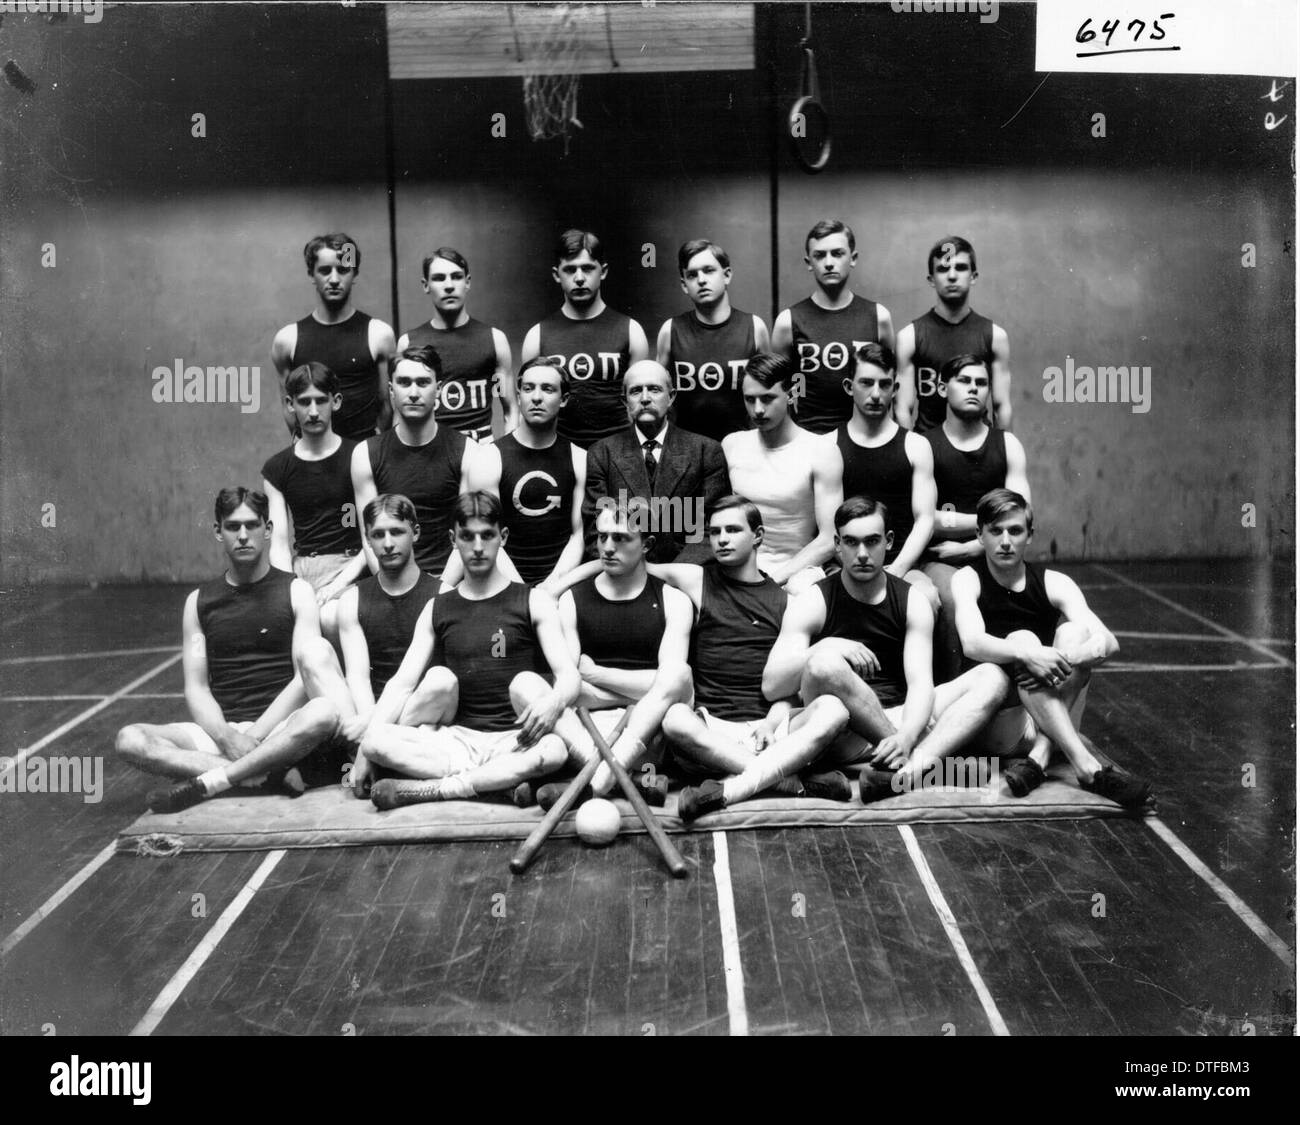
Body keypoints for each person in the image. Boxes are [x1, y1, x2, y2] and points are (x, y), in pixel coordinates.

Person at [115, 487, 356, 812]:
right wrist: (226, 736)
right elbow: (197, 688)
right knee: (131, 740)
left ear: (267, 529)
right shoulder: (198, 603)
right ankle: (262, 776)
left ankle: (225, 777)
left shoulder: (297, 592)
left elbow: (303, 680)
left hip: (280, 731)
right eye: (232, 527)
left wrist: (256, 735)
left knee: (324, 713)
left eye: (252, 525)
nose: (243, 535)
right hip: (223, 734)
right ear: (218, 532)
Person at [762, 497, 1013, 805]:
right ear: (837, 545)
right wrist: (826, 646)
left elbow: (921, 683)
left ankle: (910, 770)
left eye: (872, 541)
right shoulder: (815, 600)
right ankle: (932, 766)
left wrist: (907, 734)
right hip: (841, 729)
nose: (863, 554)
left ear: (889, 542)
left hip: (900, 721)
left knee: (992, 676)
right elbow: (772, 684)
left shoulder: (912, 600)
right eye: (852, 543)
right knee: (823, 665)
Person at [358, 492, 578, 807]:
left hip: (516, 740)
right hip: (457, 741)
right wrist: (365, 751)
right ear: (453, 539)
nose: (477, 547)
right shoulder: (437, 607)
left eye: (487, 536)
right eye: (467, 537)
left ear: (502, 537)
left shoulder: (533, 600)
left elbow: (569, 676)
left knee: (553, 751)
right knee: (376, 741)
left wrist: (553, 703)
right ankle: (495, 783)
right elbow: (401, 683)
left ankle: (443, 789)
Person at [648, 496, 852, 820]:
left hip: (772, 729)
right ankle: (788, 781)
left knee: (835, 710)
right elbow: (636, 566)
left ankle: (735, 783)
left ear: (757, 535)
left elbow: (788, 686)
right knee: (673, 718)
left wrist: (772, 723)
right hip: (713, 729)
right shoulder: (698, 580)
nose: (722, 539)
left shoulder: (785, 601)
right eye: (714, 532)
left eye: (732, 530)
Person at [951, 489, 1153, 806]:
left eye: (1015, 531)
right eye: (995, 531)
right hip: (1002, 725)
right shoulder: (967, 578)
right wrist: (1030, 653)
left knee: (1074, 632)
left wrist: (1064, 658)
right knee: (1024, 640)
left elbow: (1108, 642)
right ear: (980, 535)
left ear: (1029, 536)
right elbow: (972, 643)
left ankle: (1040, 759)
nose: (1005, 541)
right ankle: (1088, 768)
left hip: (1048, 718)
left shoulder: (1054, 582)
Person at [548, 501, 695, 804]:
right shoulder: (571, 600)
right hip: (587, 729)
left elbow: (674, 682)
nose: (608, 547)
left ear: (647, 545)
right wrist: (644, 690)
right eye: (602, 537)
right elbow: (571, 686)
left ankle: (596, 781)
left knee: (679, 676)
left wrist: (598, 675)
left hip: (646, 733)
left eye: (621, 538)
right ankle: (624, 779)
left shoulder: (674, 600)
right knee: (537, 690)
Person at [351, 343, 504, 581]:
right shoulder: (365, 454)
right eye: (404, 383)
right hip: (391, 581)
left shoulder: (469, 452)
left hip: (451, 584)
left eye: (422, 382)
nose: (413, 392)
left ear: (439, 389)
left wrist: (438, 593)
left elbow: (467, 533)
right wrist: (397, 588)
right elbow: (369, 537)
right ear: (391, 390)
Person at [922, 353, 1031, 680]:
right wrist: (988, 528)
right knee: (956, 595)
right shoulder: (923, 445)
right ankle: (958, 694)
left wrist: (975, 545)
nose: (974, 389)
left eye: (981, 383)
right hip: (940, 561)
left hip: (995, 556)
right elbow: (926, 517)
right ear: (943, 388)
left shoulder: (1008, 444)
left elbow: (1021, 514)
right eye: (964, 381)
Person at [333, 494, 440, 793]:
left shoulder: (442, 594)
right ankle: (377, 758)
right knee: (316, 656)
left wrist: (371, 725)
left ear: (415, 533)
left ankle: (371, 758)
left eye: (397, 532)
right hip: (368, 713)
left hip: (415, 715)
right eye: (378, 535)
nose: (388, 543)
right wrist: (372, 725)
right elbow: (357, 675)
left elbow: (420, 684)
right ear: (367, 540)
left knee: (440, 683)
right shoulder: (353, 599)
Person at [582, 359, 729, 565]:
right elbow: (595, 530)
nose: (645, 398)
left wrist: (673, 575)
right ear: (625, 402)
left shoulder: (706, 451)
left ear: (671, 397)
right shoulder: (602, 453)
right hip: (624, 574)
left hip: (687, 574)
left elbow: (713, 527)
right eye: (635, 391)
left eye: (654, 389)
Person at [262, 362, 365, 637]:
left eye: (321, 401)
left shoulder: (359, 456)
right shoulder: (277, 468)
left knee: (331, 619)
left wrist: (337, 585)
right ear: (290, 404)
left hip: (351, 567)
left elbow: (371, 538)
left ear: (336, 401)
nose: (313, 411)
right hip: (303, 570)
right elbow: (280, 544)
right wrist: (290, 587)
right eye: (304, 402)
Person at [722, 353, 842, 592]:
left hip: (798, 571)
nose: (757, 410)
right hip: (739, 567)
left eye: (768, 399)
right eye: (750, 399)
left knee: (800, 593)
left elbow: (829, 540)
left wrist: (769, 583)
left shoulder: (821, 450)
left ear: (791, 393)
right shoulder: (732, 445)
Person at [520, 229, 649, 449]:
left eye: (588, 268)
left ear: (603, 271)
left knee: (622, 487)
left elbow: (641, 404)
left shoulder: (631, 331)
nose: (579, 278)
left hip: (617, 455)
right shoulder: (537, 336)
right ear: (556, 274)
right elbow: (529, 408)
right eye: (570, 270)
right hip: (558, 456)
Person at [771, 219, 894, 435]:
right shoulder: (788, 321)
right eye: (820, 255)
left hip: (864, 438)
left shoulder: (878, 317)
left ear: (853, 258)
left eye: (837, 253)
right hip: (809, 437)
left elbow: (889, 385)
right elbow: (778, 391)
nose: (829, 263)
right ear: (809, 262)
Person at [271, 232, 397, 441]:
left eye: (343, 270)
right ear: (312, 274)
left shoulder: (378, 334)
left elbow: (387, 405)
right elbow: (289, 407)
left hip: (364, 455)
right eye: (325, 270)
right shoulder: (287, 340)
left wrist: (372, 452)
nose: (335, 279)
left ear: (354, 273)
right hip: (315, 460)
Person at [828, 342, 937, 583]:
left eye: (884, 384)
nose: (876, 394)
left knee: (926, 598)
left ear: (895, 388)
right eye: (866, 383)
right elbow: (828, 531)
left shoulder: (916, 446)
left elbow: (925, 520)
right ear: (849, 386)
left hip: (902, 568)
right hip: (843, 568)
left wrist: (897, 570)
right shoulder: (828, 445)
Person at [480, 356, 587, 593]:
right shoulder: (489, 458)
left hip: (561, 585)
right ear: (518, 396)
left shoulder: (580, 459)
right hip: (502, 585)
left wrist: (550, 587)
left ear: (564, 399)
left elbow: (579, 535)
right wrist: (521, 592)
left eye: (547, 389)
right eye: (528, 389)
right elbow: (487, 535)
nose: (536, 397)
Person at [654, 239, 769, 442]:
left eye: (708, 270)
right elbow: (658, 396)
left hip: (742, 447)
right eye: (692, 274)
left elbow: (769, 393)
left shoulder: (754, 327)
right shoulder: (671, 330)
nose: (701, 280)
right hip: (686, 450)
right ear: (684, 285)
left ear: (726, 275)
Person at [397, 246, 515, 441]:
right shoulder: (408, 343)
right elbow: (400, 415)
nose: (449, 285)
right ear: (426, 285)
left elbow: (510, 410)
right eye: (439, 278)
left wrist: (505, 456)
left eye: (456, 276)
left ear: (467, 282)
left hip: (481, 449)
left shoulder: (494, 339)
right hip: (430, 450)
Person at [895, 235, 1012, 433]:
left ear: (973, 276)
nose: (951, 276)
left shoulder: (995, 336)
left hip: (979, 453)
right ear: (931, 280)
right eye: (942, 269)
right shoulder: (909, 337)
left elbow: (1001, 407)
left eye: (960, 268)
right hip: (927, 450)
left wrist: (1002, 455)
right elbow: (902, 409)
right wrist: (909, 457)